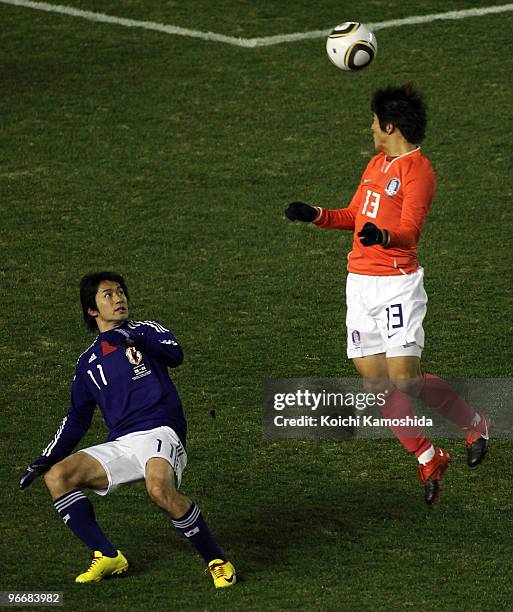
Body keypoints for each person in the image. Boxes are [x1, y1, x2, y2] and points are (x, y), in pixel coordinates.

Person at [285, 83, 490, 505]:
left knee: (406, 380)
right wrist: (317, 216)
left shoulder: (419, 171)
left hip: (397, 284)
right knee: (377, 384)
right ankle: (428, 456)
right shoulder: (376, 164)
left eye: (374, 122)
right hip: (359, 286)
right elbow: (356, 216)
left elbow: (410, 231)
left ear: (390, 125)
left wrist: (383, 235)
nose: (371, 128)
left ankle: (474, 422)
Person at [19, 271, 236, 586]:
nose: (118, 298)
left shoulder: (145, 330)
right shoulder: (87, 363)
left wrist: (135, 339)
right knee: (58, 476)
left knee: (160, 491)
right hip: (122, 442)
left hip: (161, 431)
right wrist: (45, 458)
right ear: (92, 310)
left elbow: (176, 355)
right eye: (108, 295)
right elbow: (78, 417)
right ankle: (107, 555)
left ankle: (217, 561)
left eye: (120, 292)